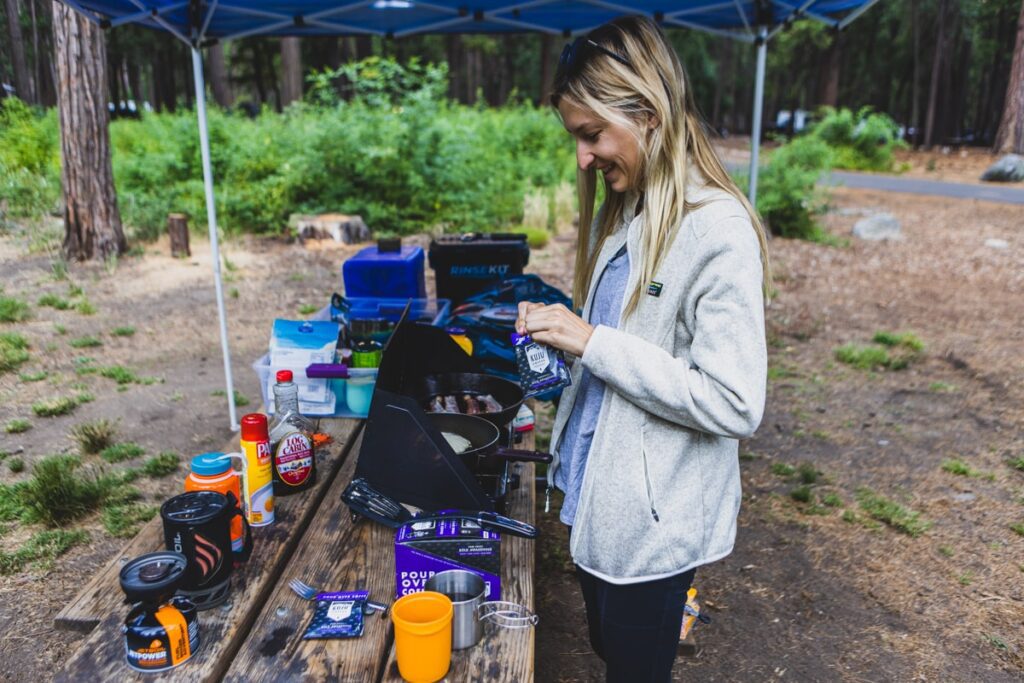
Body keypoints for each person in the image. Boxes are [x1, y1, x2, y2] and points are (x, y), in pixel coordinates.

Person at [515, 16, 770, 683]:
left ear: (648, 112)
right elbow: (628, 345)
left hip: (651, 525)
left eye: (591, 134)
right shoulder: (632, 209)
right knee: (607, 643)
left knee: (632, 666)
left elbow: (734, 401)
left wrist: (593, 341)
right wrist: (562, 341)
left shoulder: (717, 229)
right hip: (598, 496)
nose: (583, 158)